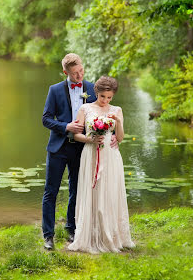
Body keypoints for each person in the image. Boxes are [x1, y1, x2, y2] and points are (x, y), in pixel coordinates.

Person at [42, 53, 118, 250]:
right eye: (75, 73)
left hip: (83, 148)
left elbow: (106, 110)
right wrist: (65, 126)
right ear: (65, 72)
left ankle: (72, 229)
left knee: (77, 190)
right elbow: (46, 119)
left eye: (81, 71)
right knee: (51, 191)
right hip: (58, 147)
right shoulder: (55, 90)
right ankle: (48, 235)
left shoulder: (93, 88)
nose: (79, 76)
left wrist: (114, 134)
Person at [67, 76, 135, 253]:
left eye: (109, 97)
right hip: (91, 154)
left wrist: (118, 123)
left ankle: (110, 235)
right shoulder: (85, 108)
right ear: (96, 92)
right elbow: (76, 135)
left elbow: (119, 138)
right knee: (93, 192)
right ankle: (91, 235)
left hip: (111, 156)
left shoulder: (117, 110)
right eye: (103, 96)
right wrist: (90, 139)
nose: (105, 101)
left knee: (110, 192)